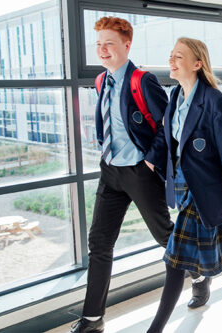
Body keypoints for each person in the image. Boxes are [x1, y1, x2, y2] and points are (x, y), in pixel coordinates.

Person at [147, 37, 222, 332]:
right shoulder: (175, 96)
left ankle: (155, 328)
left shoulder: (214, 100)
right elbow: (167, 137)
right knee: (217, 244)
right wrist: (150, 160)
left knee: (174, 260)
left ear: (197, 64)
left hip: (206, 189)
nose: (171, 61)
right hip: (181, 185)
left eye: (178, 57)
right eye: (171, 55)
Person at [70, 16, 173, 333]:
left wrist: (151, 163)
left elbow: (168, 124)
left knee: (165, 236)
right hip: (110, 172)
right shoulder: (102, 81)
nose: (102, 50)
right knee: (99, 243)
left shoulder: (142, 81)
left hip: (140, 172)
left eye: (109, 43)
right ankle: (92, 318)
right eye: (99, 44)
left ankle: (197, 275)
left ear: (126, 45)